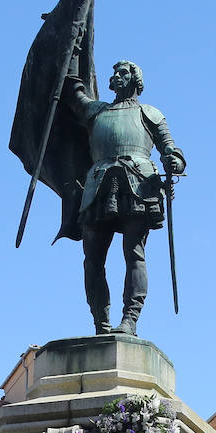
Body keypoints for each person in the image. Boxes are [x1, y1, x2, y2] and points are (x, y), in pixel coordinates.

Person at [64, 60, 185, 335]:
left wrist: (173, 160)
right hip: (98, 185)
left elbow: (171, 149)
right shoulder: (96, 111)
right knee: (92, 258)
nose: (116, 77)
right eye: (114, 73)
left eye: (123, 73)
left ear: (135, 79)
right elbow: (73, 93)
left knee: (134, 253)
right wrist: (71, 42)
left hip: (139, 183)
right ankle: (101, 322)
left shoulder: (149, 113)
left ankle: (130, 319)